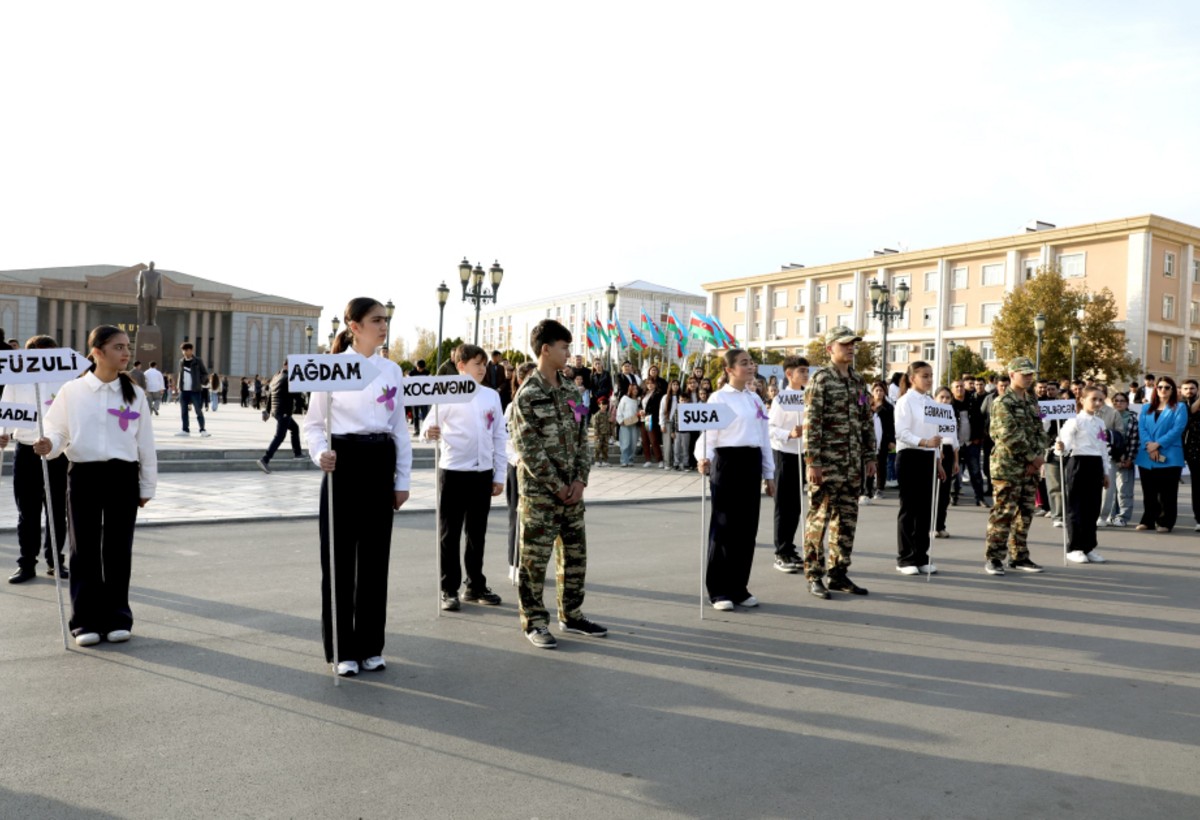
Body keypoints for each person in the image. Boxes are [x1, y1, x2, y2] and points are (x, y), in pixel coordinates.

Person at [302, 298, 412, 676]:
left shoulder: (391, 370)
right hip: (343, 463)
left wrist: (402, 479)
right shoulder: (331, 368)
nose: (383, 326)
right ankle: (342, 649)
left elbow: (400, 428)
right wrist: (321, 453)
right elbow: (313, 424)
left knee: (375, 560)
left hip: (380, 461)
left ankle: (370, 645)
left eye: (385, 320)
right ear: (354, 326)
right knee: (339, 559)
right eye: (376, 320)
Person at [34, 325, 156, 647]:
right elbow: (58, 430)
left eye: (127, 346)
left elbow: (146, 444)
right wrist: (50, 445)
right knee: (83, 549)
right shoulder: (72, 391)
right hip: (84, 475)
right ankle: (85, 620)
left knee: (118, 549)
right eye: (118, 347)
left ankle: (117, 617)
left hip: (123, 476)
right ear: (97, 352)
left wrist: (147, 486)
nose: (126, 352)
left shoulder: (135, 394)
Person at [510, 319, 606, 648]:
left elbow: (582, 438)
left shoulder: (570, 390)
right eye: (564, 348)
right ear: (545, 349)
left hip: (572, 492)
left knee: (575, 558)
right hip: (541, 495)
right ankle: (535, 622)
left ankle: (572, 615)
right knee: (534, 562)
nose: (568, 353)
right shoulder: (527, 395)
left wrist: (580, 480)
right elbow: (527, 448)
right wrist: (557, 485)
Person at [424, 344, 507, 610]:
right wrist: (429, 432)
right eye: (476, 364)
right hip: (453, 472)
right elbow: (428, 425)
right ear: (461, 366)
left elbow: (499, 436)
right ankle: (448, 589)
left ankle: (475, 585)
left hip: (482, 473)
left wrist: (499, 474)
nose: (482, 369)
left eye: (484, 364)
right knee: (450, 534)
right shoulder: (447, 393)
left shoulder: (491, 396)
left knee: (477, 533)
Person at [696, 348, 775, 610]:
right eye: (743, 363)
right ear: (729, 369)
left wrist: (769, 474)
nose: (750, 367)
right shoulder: (719, 398)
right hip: (727, 462)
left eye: (751, 362)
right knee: (724, 528)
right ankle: (719, 590)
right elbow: (708, 434)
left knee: (747, 529)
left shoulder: (755, 399)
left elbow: (764, 438)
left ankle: (739, 587)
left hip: (751, 463)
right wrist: (703, 458)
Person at [802, 326, 876, 598]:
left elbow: (866, 420)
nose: (851, 348)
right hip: (827, 464)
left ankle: (838, 573)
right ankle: (814, 575)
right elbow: (812, 423)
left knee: (846, 521)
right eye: (845, 344)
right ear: (830, 348)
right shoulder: (821, 379)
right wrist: (813, 461)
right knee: (819, 520)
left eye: (853, 343)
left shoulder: (858, 380)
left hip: (852, 464)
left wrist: (869, 456)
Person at [2, 335, 71, 584]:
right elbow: (6, 408)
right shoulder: (17, 379)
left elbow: (70, 417)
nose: (45, 361)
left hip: (57, 453)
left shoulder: (66, 381)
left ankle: (56, 562)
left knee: (57, 511)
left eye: (51, 355)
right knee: (27, 512)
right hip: (26, 450)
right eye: (41, 355)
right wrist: (3, 433)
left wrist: (55, 441)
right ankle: (26, 564)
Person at [983, 357, 1047, 576]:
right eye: (1024, 374)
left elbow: (1040, 430)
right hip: (1008, 466)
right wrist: (1032, 458)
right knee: (1003, 513)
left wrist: (1038, 455)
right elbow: (1008, 435)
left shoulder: (1032, 401)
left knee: (1025, 513)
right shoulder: (1002, 402)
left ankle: (1019, 556)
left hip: (1030, 467)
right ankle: (994, 558)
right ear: (1012, 375)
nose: (1028, 378)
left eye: (1030, 374)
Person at [892, 361, 943, 575]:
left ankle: (921, 555)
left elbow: (936, 435)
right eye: (925, 376)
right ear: (913, 378)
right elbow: (901, 432)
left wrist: (938, 460)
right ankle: (905, 558)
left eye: (931, 375)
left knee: (925, 510)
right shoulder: (905, 401)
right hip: (910, 456)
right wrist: (924, 442)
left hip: (928, 457)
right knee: (909, 509)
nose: (929, 379)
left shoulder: (931, 402)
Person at [1056, 386, 1111, 564]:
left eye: (1100, 399)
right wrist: (1061, 447)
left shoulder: (1100, 423)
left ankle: (1089, 546)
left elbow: (1103, 448)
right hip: (1079, 462)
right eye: (1093, 399)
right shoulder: (1074, 420)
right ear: (1082, 400)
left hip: (1095, 465)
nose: (1098, 403)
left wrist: (1106, 471)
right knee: (1076, 508)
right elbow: (1065, 442)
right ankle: (1075, 547)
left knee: (1092, 508)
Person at [768, 355, 807, 574]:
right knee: (783, 505)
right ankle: (781, 552)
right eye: (801, 371)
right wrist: (789, 434)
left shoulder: (808, 396)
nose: (805, 375)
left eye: (807, 371)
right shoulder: (781, 399)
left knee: (796, 506)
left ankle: (790, 548)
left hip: (802, 455)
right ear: (789, 374)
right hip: (784, 454)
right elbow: (770, 428)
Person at [1135, 375, 1186, 533]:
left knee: (1167, 492)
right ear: (1155, 389)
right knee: (1149, 491)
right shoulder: (1146, 408)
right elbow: (1142, 428)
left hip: (1169, 454)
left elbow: (1178, 429)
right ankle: (1148, 520)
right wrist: (1150, 446)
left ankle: (1166, 521)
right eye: (1160, 387)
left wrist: (1157, 444)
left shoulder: (1179, 407)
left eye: (1167, 387)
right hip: (1147, 454)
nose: (1163, 390)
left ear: (1172, 390)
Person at [504, 363, 537, 580]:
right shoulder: (512, 406)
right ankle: (514, 564)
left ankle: (532, 565)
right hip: (518, 466)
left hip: (538, 468)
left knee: (535, 520)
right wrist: (516, 458)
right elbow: (504, 438)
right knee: (516, 517)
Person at [256, 363, 305, 473]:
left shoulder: (276, 376)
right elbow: (296, 395)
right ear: (287, 365)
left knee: (295, 428)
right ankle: (265, 459)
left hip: (277, 411)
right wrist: (306, 406)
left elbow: (270, 395)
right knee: (280, 436)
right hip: (284, 411)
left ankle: (298, 453)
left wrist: (268, 411)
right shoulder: (289, 378)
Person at [950, 379, 988, 507]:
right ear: (952, 390)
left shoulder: (973, 402)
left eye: (961, 386)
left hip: (971, 443)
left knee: (975, 472)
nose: (959, 389)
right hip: (956, 444)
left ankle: (980, 498)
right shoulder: (949, 405)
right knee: (955, 472)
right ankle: (953, 496)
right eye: (957, 387)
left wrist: (978, 438)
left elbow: (980, 420)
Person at [1102, 391, 1138, 527]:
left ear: (1127, 403)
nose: (1119, 403)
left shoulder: (1132, 418)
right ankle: (1111, 515)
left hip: (1125, 459)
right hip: (1110, 458)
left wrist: (1129, 458)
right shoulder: (1108, 415)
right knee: (1110, 489)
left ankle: (1123, 517)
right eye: (1116, 401)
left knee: (1124, 490)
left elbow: (1134, 439)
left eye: (1122, 401)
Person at [932, 387, 959, 538]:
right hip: (934, 451)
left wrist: (956, 460)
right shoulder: (931, 413)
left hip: (947, 452)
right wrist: (937, 452)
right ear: (935, 398)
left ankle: (940, 525)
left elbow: (954, 439)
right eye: (941, 397)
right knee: (933, 492)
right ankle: (930, 525)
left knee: (944, 493)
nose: (944, 400)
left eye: (947, 398)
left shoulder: (951, 414)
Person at [175, 342, 210, 438]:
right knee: (184, 411)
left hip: (195, 390)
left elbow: (205, 373)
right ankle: (185, 430)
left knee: (198, 410)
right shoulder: (181, 361)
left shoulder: (198, 361)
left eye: (186, 350)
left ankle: (202, 430)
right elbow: (180, 374)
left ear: (191, 350)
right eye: (183, 350)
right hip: (183, 390)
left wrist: (200, 381)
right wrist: (179, 387)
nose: (185, 352)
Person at [1180, 379, 1200, 530]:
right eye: (1186, 388)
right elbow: (1190, 412)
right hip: (1194, 452)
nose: (1189, 391)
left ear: (1197, 390)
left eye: (1192, 388)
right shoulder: (1181, 406)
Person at [871, 381, 894, 498]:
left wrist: (892, 441)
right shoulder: (866, 404)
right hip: (869, 440)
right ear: (872, 392)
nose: (879, 393)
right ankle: (867, 489)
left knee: (881, 465)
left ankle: (880, 488)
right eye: (876, 390)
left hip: (883, 440)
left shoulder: (888, 407)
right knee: (868, 464)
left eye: (881, 390)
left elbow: (891, 425)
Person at [639, 377, 663, 467]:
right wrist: (641, 411)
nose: (650, 385)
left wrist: (646, 412)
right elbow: (640, 405)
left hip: (650, 418)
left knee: (653, 440)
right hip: (643, 419)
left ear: (655, 384)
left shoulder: (658, 393)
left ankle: (660, 460)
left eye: (652, 383)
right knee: (645, 440)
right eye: (648, 383)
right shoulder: (644, 393)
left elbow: (656, 407)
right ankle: (648, 460)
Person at [616, 382, 640, 467]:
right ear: (630, 389)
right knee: (625, 443)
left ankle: (630, 459)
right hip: (625, 423)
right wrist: (620, 420)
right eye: (633, 389)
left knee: (633, 443)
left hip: (634, 424)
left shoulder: (638, 400)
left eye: (636, 389)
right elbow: (619, 410)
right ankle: (624, 460)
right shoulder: (625, 398)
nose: (635, 390)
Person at [409, 359, 431, 434]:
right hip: (414, 398)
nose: (421, 370)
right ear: (416, 366)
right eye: (419, 368)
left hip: (424, 398)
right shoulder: (412, 373)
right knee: (415, 415)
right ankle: (416, 429)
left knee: (425, 415)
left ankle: (424, 429)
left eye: (422, 368)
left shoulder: (427, 373)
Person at [592, 394, 611, 468]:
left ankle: (605, 461)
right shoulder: (597, 415)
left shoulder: (607, 414)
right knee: (598, 447)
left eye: (605, 404)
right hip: (599, 434)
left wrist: (611, 433)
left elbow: (609, 424)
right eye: (602, 404)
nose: (604, 406)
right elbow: (595, 425)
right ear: (599, 405)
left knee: (605, 447)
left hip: (606, 433)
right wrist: (596, 434)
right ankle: (596, 461)